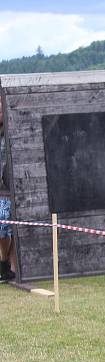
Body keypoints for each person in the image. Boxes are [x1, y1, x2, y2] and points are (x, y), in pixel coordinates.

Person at [0, 94, 16, 283]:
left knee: (6, 227)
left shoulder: (11, 130)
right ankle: (5, 265)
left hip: (10, 188)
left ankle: (7, 266)